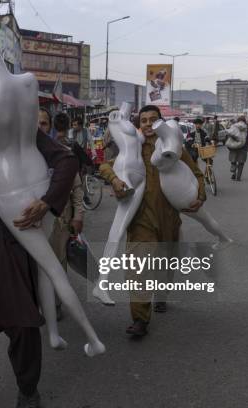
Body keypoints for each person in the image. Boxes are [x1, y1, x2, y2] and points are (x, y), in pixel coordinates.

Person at [0, 75, 78, 408]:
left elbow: (66, 160)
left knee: (22, 327)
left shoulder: (25, 134)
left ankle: (28, 391)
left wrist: (47, 202)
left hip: (9, 253)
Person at [99, 105, 205, 337]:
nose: (147, 124)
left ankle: (162, 295)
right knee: (139, 269)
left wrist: (200, 196)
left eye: (152, 120)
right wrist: (115, 180)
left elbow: (196, 173)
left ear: (161, 123)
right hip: (140, 220)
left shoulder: (173, 147)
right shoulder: (134, 147)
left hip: (169, 218)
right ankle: (140, 319)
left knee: (166, 265)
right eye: (143, 120)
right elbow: (106, 165)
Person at [49, 112, 85, 319]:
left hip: (60, 218)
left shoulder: (63, 152)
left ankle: (55, 303)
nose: (41, 127)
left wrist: (78, 215)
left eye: (44, 123)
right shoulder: (27, 153)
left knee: (58, 261)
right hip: (33, 221)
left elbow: (77, 188)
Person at [226, 116, 248, 181]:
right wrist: (245, 142)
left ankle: (234, 173)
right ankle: (238, 177)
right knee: (241, 162)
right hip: (243, 147)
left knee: (234, 160)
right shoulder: (247, 128)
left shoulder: (234, 126)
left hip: (234, 146)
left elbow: (229, 135)